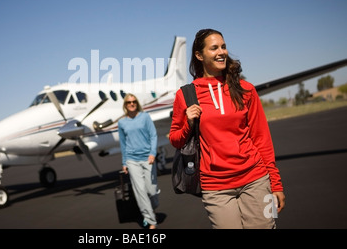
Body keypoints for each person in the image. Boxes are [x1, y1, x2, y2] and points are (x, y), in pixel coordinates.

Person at [169, 28, 285, 229]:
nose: (221, 52)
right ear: (199, 55)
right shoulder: (185, 95)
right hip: (215, 187)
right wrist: (188, 123)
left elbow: (262, 139)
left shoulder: (246, 89)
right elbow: (175, 140)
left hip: (257, 179)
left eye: (223, 47)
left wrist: (275, 184)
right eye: (214, 48)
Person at [118, 93, 159, 229]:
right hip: (132, 160)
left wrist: (153, 153)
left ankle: (151, 209)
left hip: (148, 158)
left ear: (137, 103)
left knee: (151, 191)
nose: (132, 104)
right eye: (129, 102)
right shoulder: (122, 122)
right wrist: (124, 162)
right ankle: (150, 220)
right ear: (125, 105)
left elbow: (153, 135)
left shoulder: (145, 117)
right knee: (140, 191)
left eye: (134, 101)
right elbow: (123, 144)